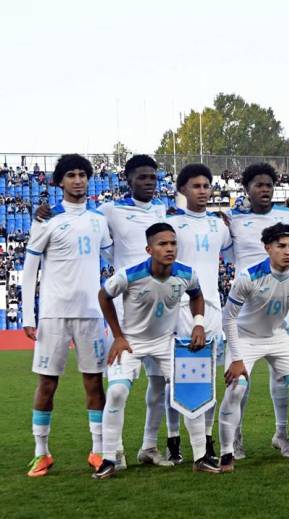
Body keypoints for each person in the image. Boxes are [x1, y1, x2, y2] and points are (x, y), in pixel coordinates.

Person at [94, 223, 215, 479]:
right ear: (149, 249)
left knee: (190, 389)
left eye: (173, 243)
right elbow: (103, 296)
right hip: (131, 341)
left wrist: (198, 324)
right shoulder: (130, 275)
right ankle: (108, 459)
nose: (169, 248)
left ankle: (201, 457)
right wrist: (117, 336)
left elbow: (197, 295)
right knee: (116, 392)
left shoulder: (186, 273)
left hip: (165, 342)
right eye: (162, 244)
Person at [21, 154, 112, 477]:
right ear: (60, 182)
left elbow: (111, 256)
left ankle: (98, 451)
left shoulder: (99, 221)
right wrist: (29, 317)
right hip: (54, 315)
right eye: (71, 175)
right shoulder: (46, 220)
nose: (78, 180)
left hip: (91, 314)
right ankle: (41, 453)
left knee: (94, 383)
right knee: (47, 383)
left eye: (82, 175)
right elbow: (30, 269)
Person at [219, 224, 289, 471]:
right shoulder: (248, 277)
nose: (287, 251)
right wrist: (236, 358)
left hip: (277, 337)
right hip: (244, 338)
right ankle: (227, 452)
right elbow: (228, 317)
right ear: (267, 248)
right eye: (281, 246)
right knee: (236, 388)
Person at [227, 163, 289, 460]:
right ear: (247, 189)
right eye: (258, 184)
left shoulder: (287, 215)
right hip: (245, 310)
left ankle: (281, 434)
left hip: (282, 307)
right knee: (240, 379)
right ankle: (236, 436)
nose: (265, 189)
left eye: (269, 184)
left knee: (283, 376)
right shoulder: (232, 220)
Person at [165, 164, 233, 463]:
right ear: (182, 190)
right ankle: (174, 438)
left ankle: (206, 439)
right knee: (182, 379)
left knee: (208, 380)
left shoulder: (220, 226)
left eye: (207, 185)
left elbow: (233, 251)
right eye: (196, 186)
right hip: (183, 307)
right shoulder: (173, 226)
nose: (203, 191)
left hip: (214, 306)